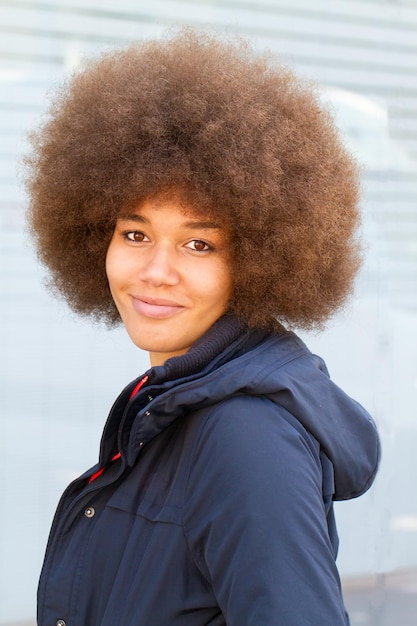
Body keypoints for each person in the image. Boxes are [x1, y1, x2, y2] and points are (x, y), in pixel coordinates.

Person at [25, 28, 380, 626]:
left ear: (261, 258)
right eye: (135, 234)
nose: (155, 272)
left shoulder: (243, 435)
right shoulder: (168, 403)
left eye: (198, 243)